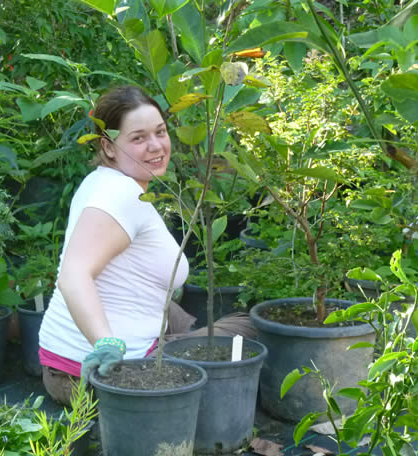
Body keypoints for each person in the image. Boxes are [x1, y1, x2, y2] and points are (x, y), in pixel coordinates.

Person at [37, 85, 255, 406]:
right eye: (138, 138)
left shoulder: (104, 180)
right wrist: (105, 344)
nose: (156, 146)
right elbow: (73, 275)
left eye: (160, 132)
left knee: (180, 314)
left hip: (62, 368)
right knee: (253, 329)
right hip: (103, 378)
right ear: (108, 146)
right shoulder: (119, 195)